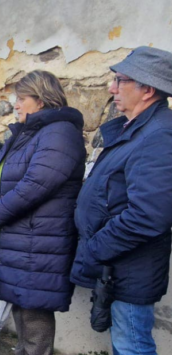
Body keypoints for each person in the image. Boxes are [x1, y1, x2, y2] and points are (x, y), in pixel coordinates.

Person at [0, 70, 87, 355]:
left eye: (22, 98)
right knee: (21, 305)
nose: (16, 104)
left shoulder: (60, 132)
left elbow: (36, 185)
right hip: (19, 236)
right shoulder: (25, 134)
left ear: (42, 99)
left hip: (40, 240)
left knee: (34, 312)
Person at [71, 47, 172, 355]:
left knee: (132, 347)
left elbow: (148, 216)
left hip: (131, 268)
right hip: (118, 267)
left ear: (147, 89)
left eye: (120, 80)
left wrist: (95, 248)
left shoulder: (158, 136)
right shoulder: (137, 130)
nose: (112, 89)